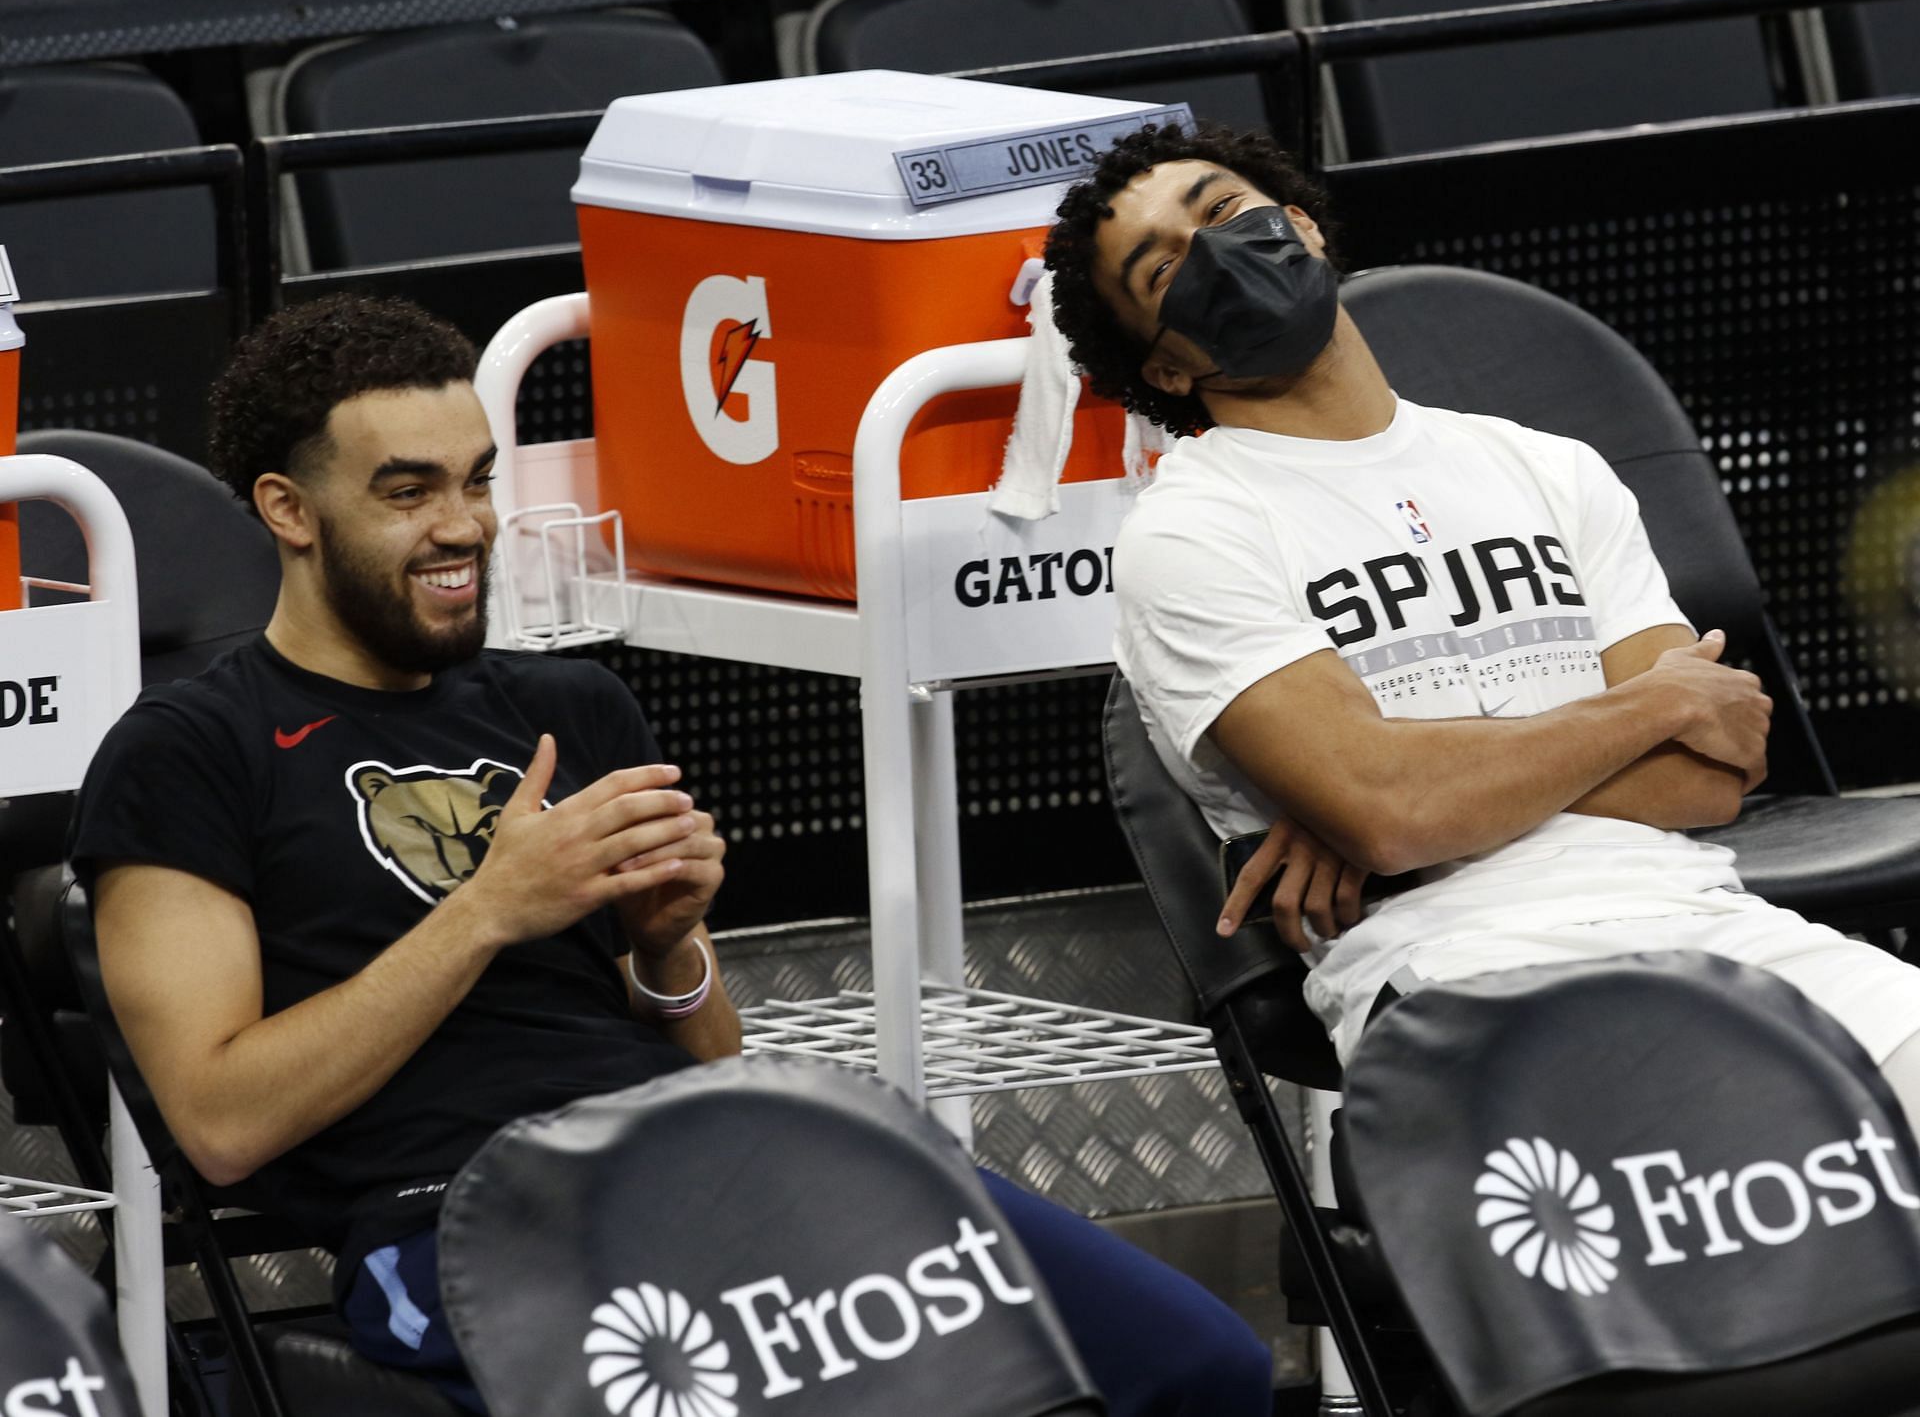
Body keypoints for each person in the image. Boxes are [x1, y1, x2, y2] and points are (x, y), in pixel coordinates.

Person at [67, 293, 1269, 1417]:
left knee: (1205, 1368)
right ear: (290, 510)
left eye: (480, 481)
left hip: (720, 1153)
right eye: (407, 491)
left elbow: (708, 1046)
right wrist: (487, 910)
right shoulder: (188, 750)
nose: (463, 526)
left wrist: (663, 949)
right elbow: (222, 1122)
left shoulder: (571, 704)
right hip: (467, 1219)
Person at [1043, 121, 1920, 1118]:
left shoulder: (1548, 467)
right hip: (1461, 968)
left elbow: (1714, 770)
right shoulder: (1194, 532)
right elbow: (1393, 809)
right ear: (1164, 369)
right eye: (1165, 272)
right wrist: (1648, 706)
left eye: (1224, 212)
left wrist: (1423, 802)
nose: (1214, 253)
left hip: (1702, 916)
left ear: (1301, 225)